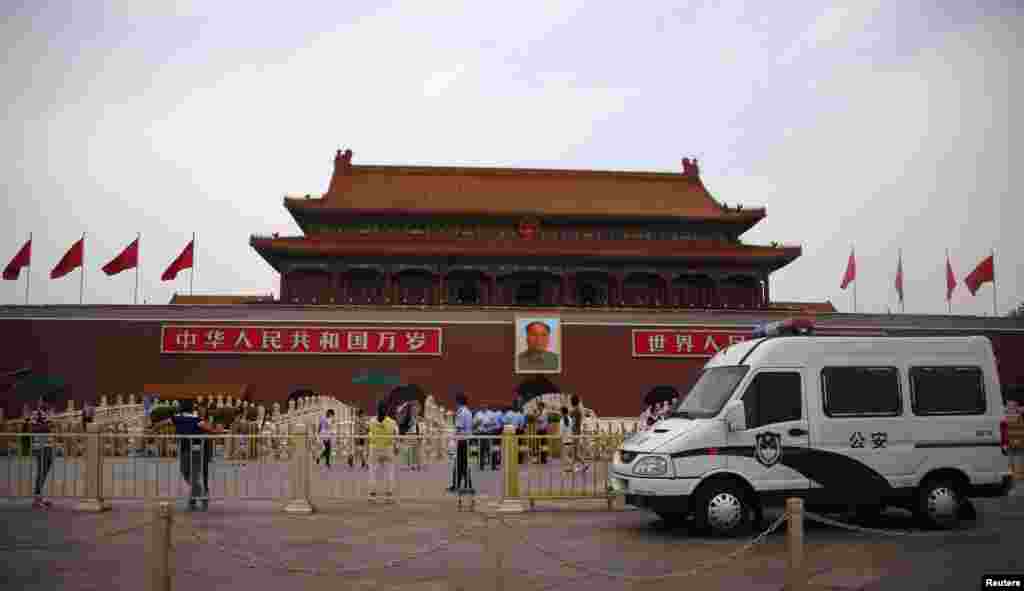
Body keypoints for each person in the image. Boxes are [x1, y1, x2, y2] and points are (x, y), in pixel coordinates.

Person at [154, 399, 225, 511]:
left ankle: (193, 503)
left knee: (190, 475)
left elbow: (161, 424)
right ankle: (203, 495)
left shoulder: (181, 418)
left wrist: (153, 429)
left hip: (192, 450)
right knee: (189, 475)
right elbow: (211, 430)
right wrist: (218, 431)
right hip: (192, 450)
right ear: (192, 408)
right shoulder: (193, 419)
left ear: (181, 407)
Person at [367, 400, 399, 501]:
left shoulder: (371, 421)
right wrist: (396, 447)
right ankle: (389, 494)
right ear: (387, 410)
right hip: (388, 449)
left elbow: (368, 434)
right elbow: (396, 436)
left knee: (372, 472)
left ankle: (372, 494)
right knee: (389, 471)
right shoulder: (392, 423)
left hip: (374, 448)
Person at [28, 398, 54, 509]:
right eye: (44, 402)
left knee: (45, 470)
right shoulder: (36, 413)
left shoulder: (46, 414)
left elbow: (50, 427)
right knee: (41, 471)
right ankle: (37, 499)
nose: (46, 404)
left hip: (47, 445)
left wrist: (49, 425)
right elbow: (33, 428)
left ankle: (39, 497)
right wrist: (47, 426)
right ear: (40, 402)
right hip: (40, 446)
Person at [449, 392, 474, 493]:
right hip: (466, 440)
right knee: (463, 464)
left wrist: (453, 440)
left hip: (461, 440)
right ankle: (463, 485)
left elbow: (459, 427)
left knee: (460, 464)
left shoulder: (461, 412)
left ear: (458, 402)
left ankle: (460, 485)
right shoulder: (468, 412)